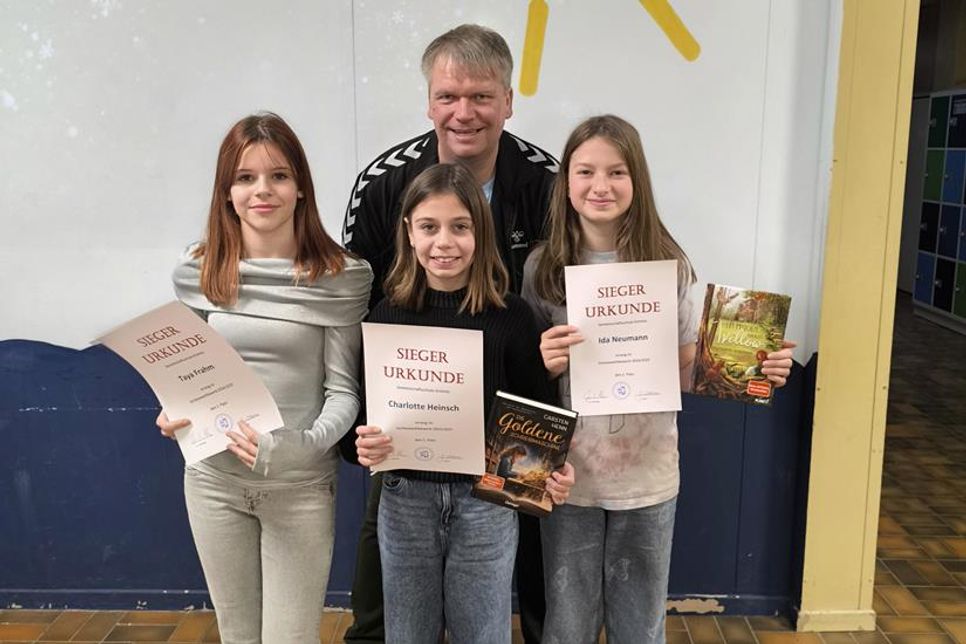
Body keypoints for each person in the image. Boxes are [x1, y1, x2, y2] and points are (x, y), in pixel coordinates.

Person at [522, 115, 795, 644]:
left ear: (637, 181)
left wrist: (755, 368)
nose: (601, 185)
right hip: (566, 475)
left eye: (617, 172)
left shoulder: (668, 264)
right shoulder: (542, 269)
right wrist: (542, 361)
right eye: (586, 172)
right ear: (566, 183)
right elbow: (525, 378)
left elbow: (687, 367)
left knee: (641, 622)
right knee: (567, 621)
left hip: (648, 472)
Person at [340, 24, 557, 644]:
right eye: (448, 96)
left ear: (508, 100)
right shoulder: (384, 182)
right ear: (429, 100)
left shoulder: (547, 183)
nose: (464, 113)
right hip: (412, 430)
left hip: (514, 409)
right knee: (387, 551)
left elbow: (570, 293)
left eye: (482, 97)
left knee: (522, 542)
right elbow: (360, 301)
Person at [156, 112, 372, 644]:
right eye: (245, 178)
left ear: (301, 188)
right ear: (226, 192)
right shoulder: (200, 270)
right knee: (237, 635)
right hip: (212, 484)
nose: (262, 191)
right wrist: (171, 410)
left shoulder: (339, 277)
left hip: (298, 487)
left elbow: (344, 393)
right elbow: (188, 374)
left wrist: (298, 447)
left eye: (278, 176)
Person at [353, 163, 574, 644]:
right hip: (404, 500)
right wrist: (364, 445)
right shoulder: (386, 316)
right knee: (408, 634)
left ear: (481, 231)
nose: (444, 243)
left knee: (484, 634)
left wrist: (551, 472)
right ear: (409, 232)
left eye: (460, 227)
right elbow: (367, 421)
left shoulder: (513, 319)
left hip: (486, 504)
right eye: (429, 227)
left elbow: (537, 417)